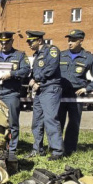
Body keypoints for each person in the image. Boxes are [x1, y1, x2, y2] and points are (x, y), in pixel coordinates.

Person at [0, 32, 31, 171]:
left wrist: (12, 74)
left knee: (12, 123)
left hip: (11, 93)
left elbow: (26, 70)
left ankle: (12, 150)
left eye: (6, 42)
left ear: (11, 41)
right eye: (1, 42)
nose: (3, 45)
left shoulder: (19, 55)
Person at [58, 29, 93, 156]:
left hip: (76, 94)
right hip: (60, 93)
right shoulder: (61, 55)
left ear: (81, 41)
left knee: (73, 122)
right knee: (58, 122)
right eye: (69, 40)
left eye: (73, 40)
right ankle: (57, 149)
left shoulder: (89, 57)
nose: (70, 43)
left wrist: (88, 88)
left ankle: (70, 149)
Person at [25, 31, 64, 161]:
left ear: (39, 41)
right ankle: (37, 149)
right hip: (40, 90)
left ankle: (57, 151)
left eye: (31, 41)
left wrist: (36, 80)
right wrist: (31, 80)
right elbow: (35, 71)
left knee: (50, 119)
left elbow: (51, 68)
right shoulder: (36, 55)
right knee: (37, 121)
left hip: (50, 89)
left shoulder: (51, 50)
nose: (29, 44)